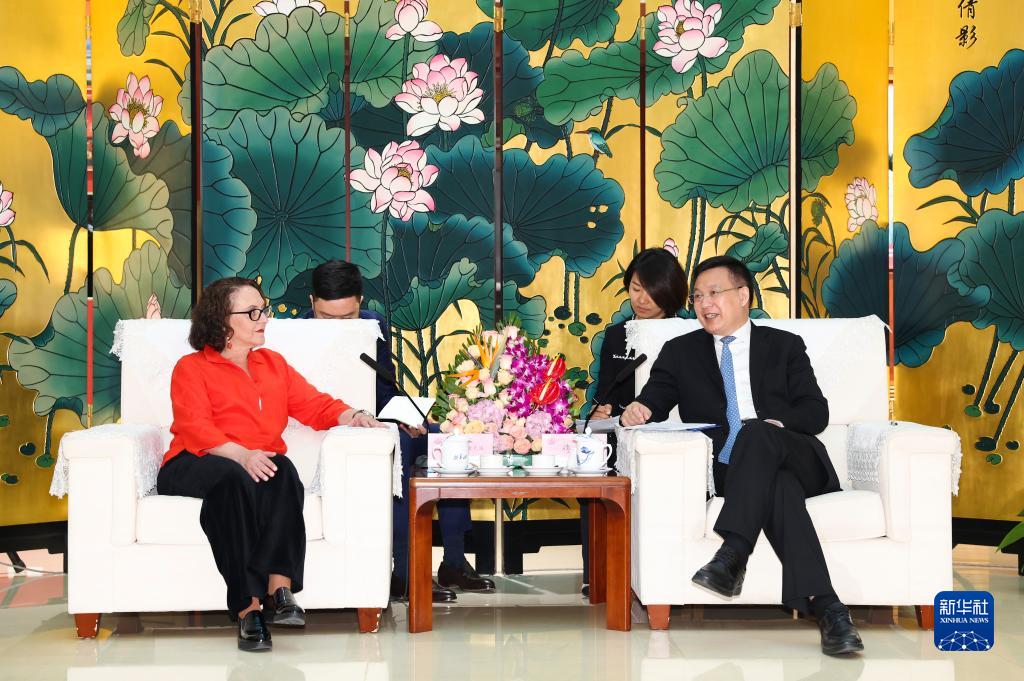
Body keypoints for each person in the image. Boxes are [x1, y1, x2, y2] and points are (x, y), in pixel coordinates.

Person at [620, 255, 864, 656]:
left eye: (714, 293)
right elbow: (655, 398)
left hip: (797, 456)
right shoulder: (680, 351)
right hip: (732, 471)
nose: (704, 303)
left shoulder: (784, 345)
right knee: (778, 489)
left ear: (744, 295)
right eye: (698, 297)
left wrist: (775, 426)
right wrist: (640, 408)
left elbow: (815, 412)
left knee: (757, 433)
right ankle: (830, 610)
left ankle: (733, 552)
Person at [159, 277, 386, 652]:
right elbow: (194, 427)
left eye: (263, 309)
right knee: (232, 481)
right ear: (222, 319)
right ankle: (248, 609)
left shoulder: (273, 364)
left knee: (283, 471)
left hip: (253, 462)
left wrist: (354, 415)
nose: (264, 318)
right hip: (194, 459)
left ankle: (280, 591)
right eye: (253, 312)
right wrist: (242, 455)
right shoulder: (191, 367)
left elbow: (314, 404)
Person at [305, 260, 495, 603]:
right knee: (401, 449)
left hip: (375, 420)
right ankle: (406, 572)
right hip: (328, 425)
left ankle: (454, 561)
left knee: (445, 442)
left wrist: (404, 416)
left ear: (360, 302)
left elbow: (384, 388)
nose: (338, 327)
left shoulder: (373, 325)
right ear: (312, 303)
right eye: (327, 318)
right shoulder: (292, 334)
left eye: (347, 318)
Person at [582, 247, 688, 597]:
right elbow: (606, 391)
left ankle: (659, 571)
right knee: (592, 467)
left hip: (674, 432)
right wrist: (602, 410)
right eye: (636, 288)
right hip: (623, 430)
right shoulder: (617, 335)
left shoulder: (689, 335)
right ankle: (598, 571)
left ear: (671, 292)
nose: (641, 299)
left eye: (651, 291)